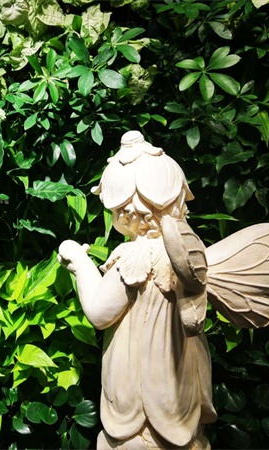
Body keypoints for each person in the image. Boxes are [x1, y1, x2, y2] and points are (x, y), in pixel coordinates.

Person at [58, 131, 216, 449]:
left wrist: (79, 263)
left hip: (140, 392)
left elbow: (100, 313)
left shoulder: (135, 257)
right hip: (180, 387)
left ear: (126, 211)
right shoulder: (190, 250)